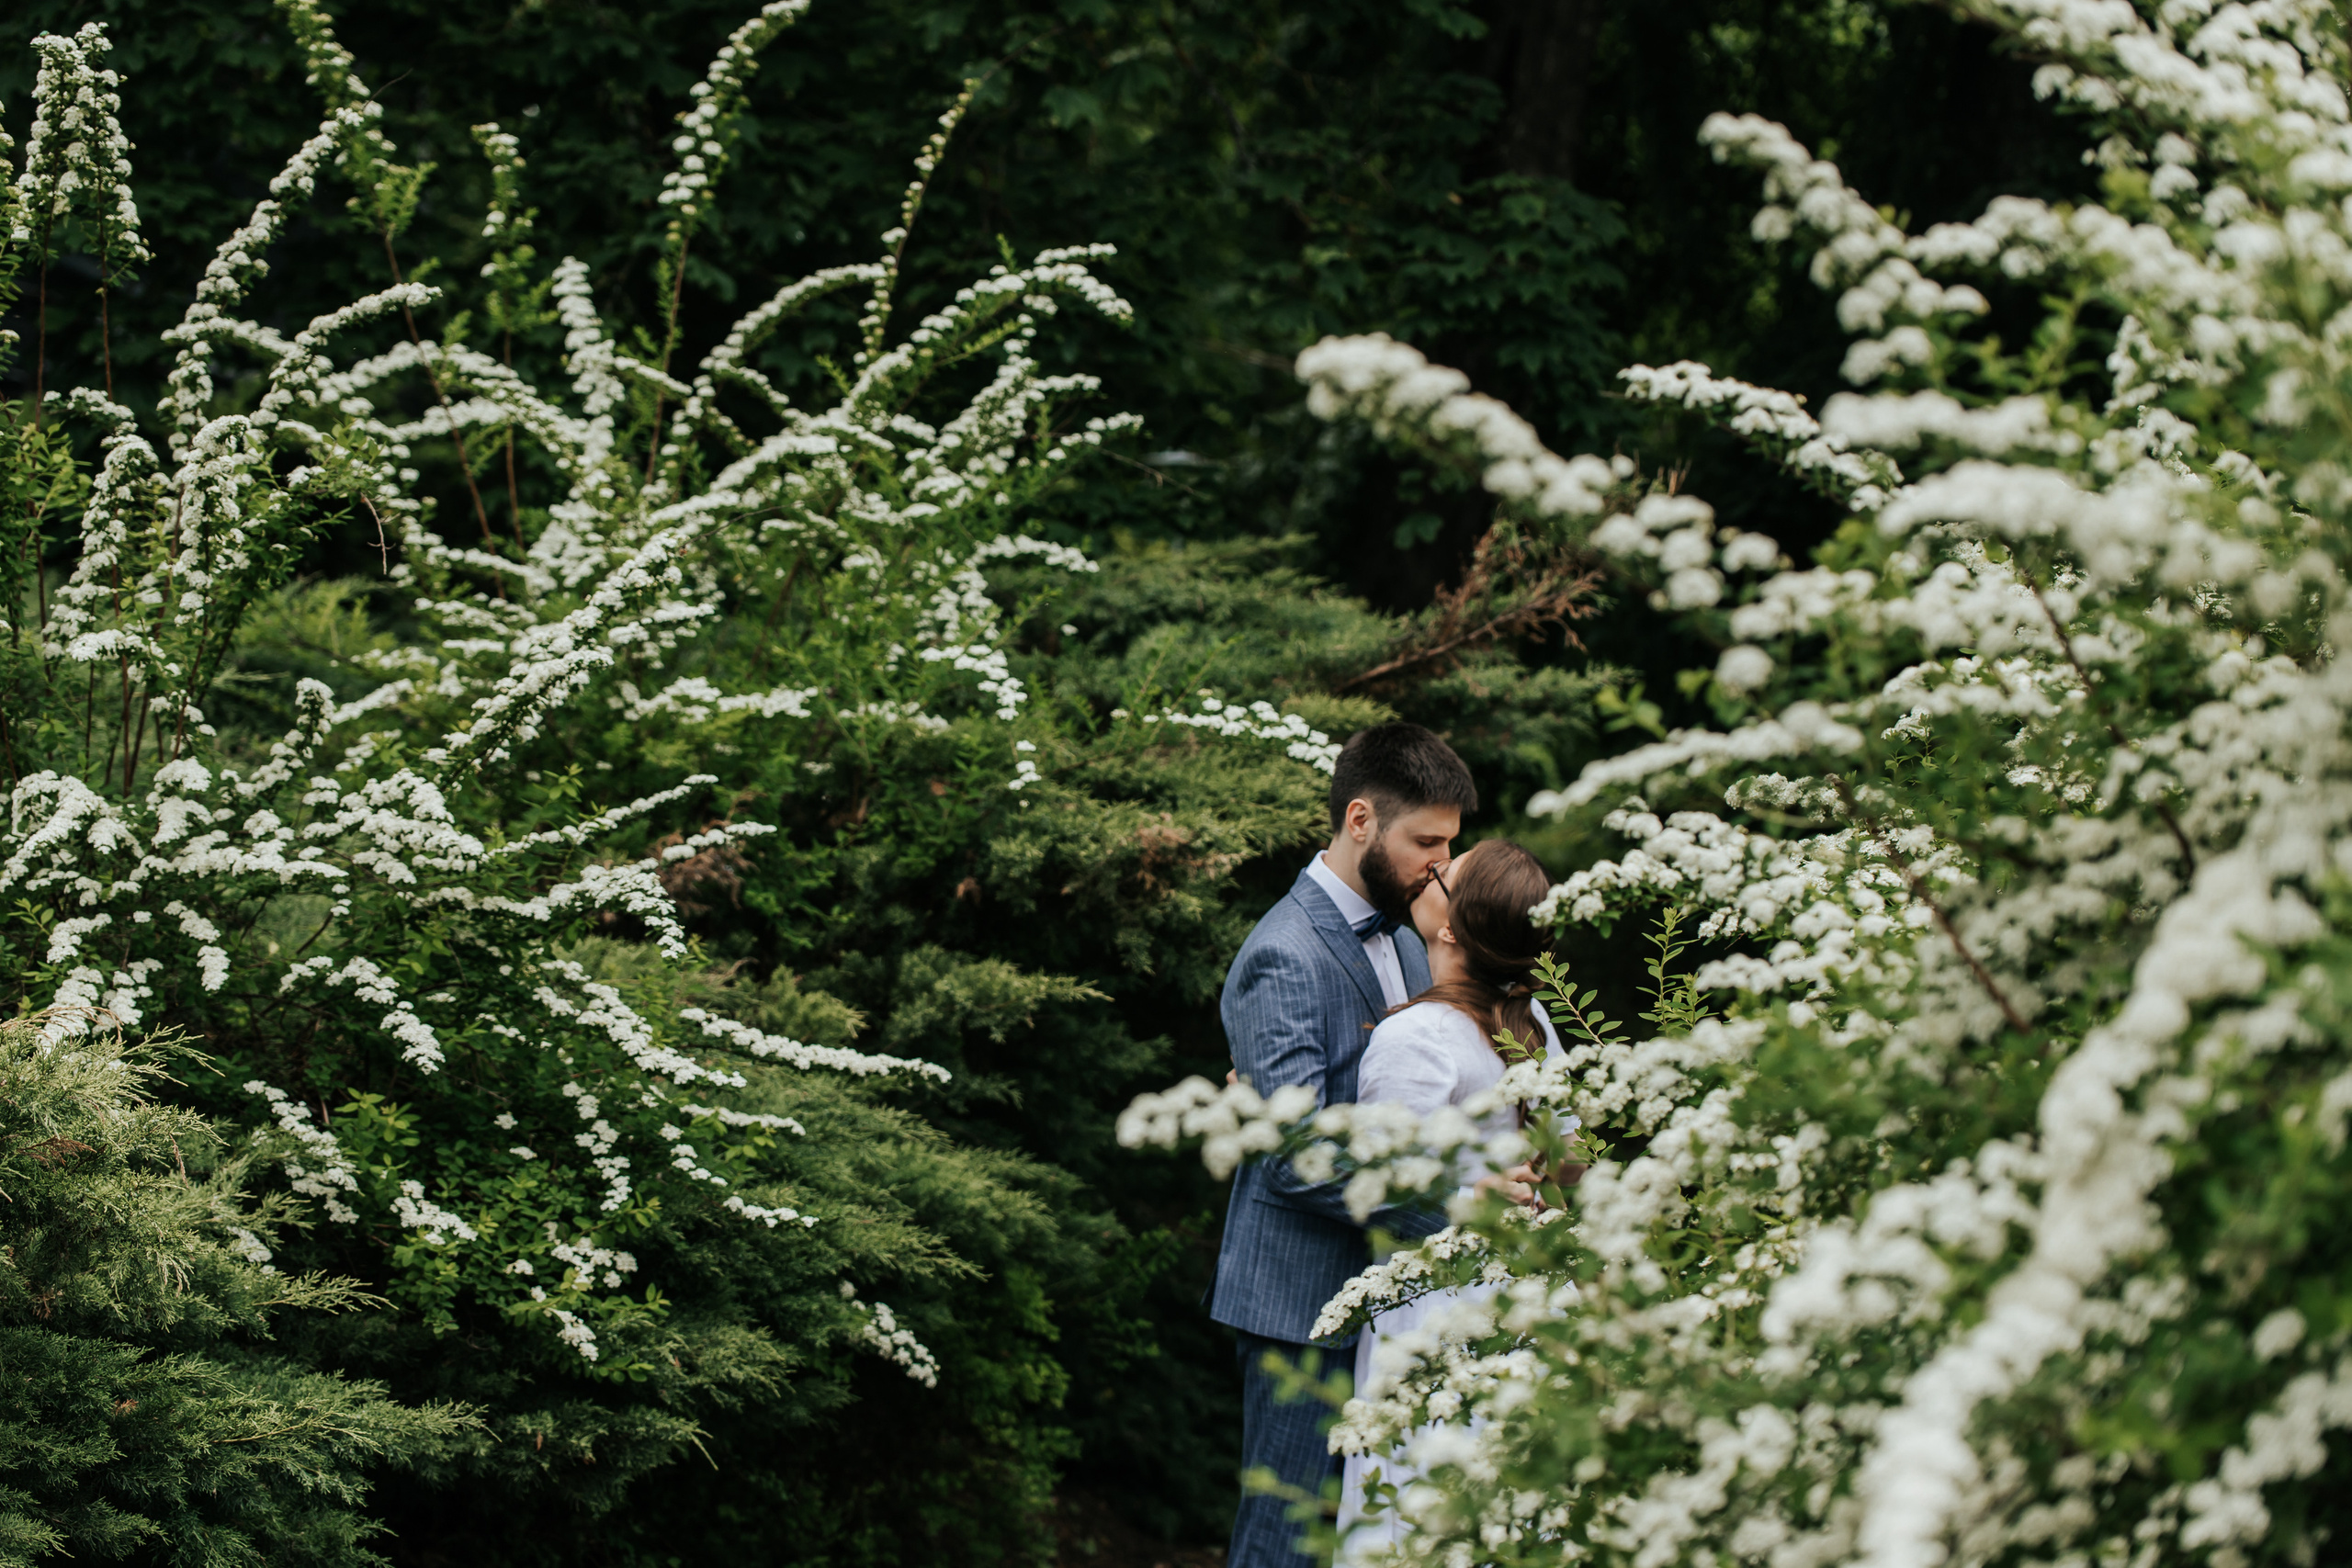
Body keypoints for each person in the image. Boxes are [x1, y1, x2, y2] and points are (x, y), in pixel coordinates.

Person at [1212, 723, 1479, 1568]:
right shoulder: (1283, 955)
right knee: (1288, 1536)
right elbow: (1297, 1156)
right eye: (1425, 842)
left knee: (1381, 1526)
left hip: (1393, 1298)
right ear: (1360, 819)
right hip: (1303, 1297)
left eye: (1450, 845)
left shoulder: (1407, 934)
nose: (1441, 866)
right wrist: (1461, 1200)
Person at [1334, 838, 1575, 1561]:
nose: (1431, 867)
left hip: (1435, 1315)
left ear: (1448, 926)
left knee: (1412, 1516)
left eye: (1447, 870)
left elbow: (1376, 1189)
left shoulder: (1415, 1036)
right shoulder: (1538, 1025)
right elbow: (1569, 1168)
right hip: (1529, 1305)